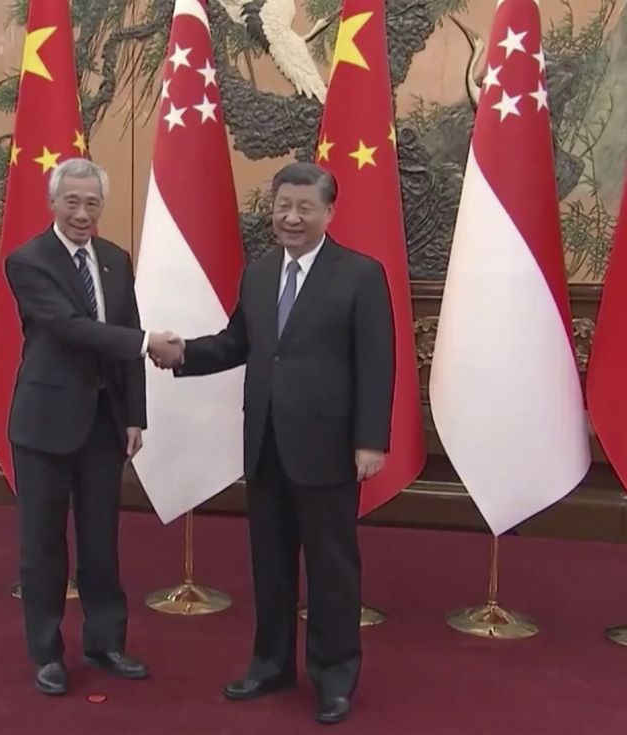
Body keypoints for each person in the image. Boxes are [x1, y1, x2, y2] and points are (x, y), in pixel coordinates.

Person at [149, 162, 396, 726]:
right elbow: (240, 341)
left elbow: (377, 364)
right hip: (264, 443)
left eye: (304, 208)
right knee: (270, 564)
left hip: (330, 447)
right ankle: (271, 664)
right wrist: (184, 352)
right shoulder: (259, 274)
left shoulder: (360, 275)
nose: (291, 217)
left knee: (333, 569)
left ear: (328, 212)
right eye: (283, 205)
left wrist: (369, 440)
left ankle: (334, 677)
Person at [3, 158, 180, 696]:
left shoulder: (114, 260)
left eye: (92, 203)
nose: (82, 213)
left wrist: (134, 415)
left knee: (102, 543)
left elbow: (122, 330)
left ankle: (106, 643)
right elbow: (68, 328)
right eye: (72, 202)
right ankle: (47, 653)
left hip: (104, 427)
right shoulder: (28, 261)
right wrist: (148, 342)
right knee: (43, 545)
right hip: (45, 424)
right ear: (53, 202)